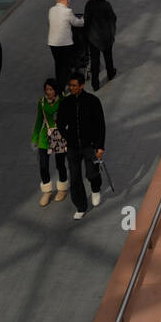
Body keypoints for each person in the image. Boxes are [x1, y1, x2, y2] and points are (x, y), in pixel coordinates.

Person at [56, 72, 105, 220]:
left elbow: (100, 125)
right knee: (75, 177)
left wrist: (100, 146)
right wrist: (67, 137)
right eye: (70, 85)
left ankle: (96, 188)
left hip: (89, 145)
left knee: (92, 173)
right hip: (72, 147)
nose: (71, 88)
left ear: (82, 85)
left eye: (74, 85)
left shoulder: (93, 101)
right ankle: (81, 206)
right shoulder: (66, 103)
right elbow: (59, 123)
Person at [32, 78, 69, 207]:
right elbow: (38, 121)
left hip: (59, 135)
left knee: (60, 164)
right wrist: (34, 138)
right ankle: (47, 190)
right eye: (46, 89)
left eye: (51, 89)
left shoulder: (63, 100)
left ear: (56, 90)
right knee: (43, 165)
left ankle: (62, 187)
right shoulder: (41, 103)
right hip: (45, 137)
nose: (48, 92)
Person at [83, 0, 117, 91]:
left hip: (94, 37)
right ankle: (111, 73)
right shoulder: (106, 5)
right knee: (108, 56)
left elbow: (86, 21)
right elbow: (113, 18)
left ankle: (95, 84)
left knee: (95, 60)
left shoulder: (89, 5)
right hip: (106, 36)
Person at [48, 0, 83, 93]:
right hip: (65, 43)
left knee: (58, 64)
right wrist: (84, 20)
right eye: (68, 0)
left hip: (53, 43)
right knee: (65, 66)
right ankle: (62, 88)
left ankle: (59, 84)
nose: (69, 2)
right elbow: (76, 23)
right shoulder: (67, 11)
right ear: (62, 0)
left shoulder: (51, 10)